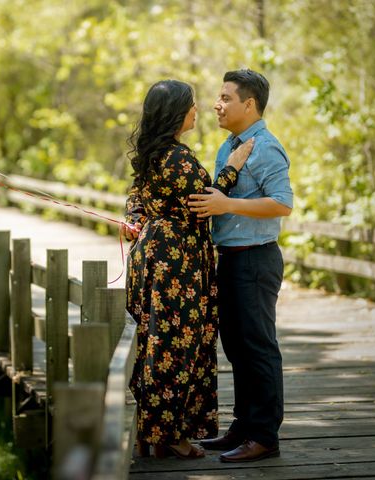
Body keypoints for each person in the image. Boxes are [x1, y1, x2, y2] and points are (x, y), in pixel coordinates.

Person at [122, 79, 253, 459]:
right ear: (178, 112)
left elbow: (136, 197)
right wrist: (231, 167)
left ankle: (152, 432)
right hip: (175, 262)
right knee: (174, 346)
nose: (199, 110)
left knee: (153, 342)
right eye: (192, 104)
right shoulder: (176, 157)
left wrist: (134, 218)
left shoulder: (152, 152)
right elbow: (203, 200)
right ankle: (170, 436)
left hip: (153, 255)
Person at [188, 69, 293, 463]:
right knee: (236, 346)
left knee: (258, 347)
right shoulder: (229, 146)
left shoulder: (265, 147)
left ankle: (264, 436)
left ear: (249, 104)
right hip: (230, 257)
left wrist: (227, 204)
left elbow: (282, 203)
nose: (218, 104)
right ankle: (243, 426)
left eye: (226, 97)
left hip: (256, 257)